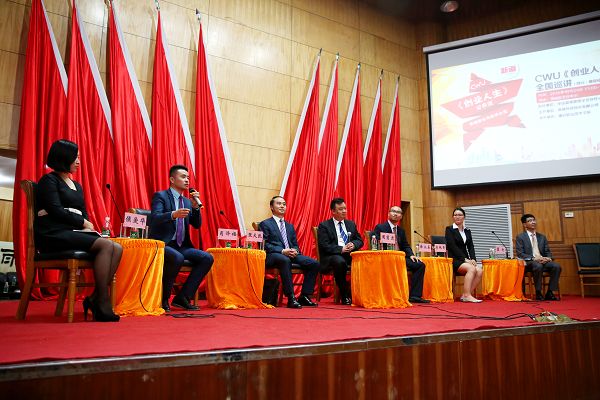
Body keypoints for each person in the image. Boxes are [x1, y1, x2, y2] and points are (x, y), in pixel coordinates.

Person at [34, 139, 122, 322]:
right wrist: (81, 221)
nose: (79, 162)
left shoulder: (77, 185)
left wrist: (85, 223)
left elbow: (82, 212)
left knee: (117, 248)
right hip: (52, 234)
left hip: (71, 232)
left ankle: (95, 297)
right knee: (107, 246)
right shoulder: (49, 180)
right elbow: (56, 210)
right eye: (76, 157)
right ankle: (102, 300)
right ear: (63, 157)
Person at [149, 165, 214, 311]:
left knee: (207, 258)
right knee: (177, 258)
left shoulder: (187, 201)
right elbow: (154, 219)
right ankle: (164, 298)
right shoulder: (161, 196)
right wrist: (173, 214)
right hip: (163, 243)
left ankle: (183, 297)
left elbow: (196, 224)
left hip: (182, 245)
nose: (187, 180)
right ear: (172, 179)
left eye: (188, 178)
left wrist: (195, 208)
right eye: (183, 177)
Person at [259, 196, 320, 308]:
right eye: (279, 204)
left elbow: (295, 244)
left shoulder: (289, 226)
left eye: (284, 204)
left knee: (314, 263)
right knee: (285, 260)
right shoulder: (265, 224)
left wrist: (295, 250)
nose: (282, 206)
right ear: (272, 207)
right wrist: (282, 251)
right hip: (273, 255)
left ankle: (304, 296)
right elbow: (264, 245)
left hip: (290, 254)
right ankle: (291, 297)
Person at [373, 206, 430, 304]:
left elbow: (405, 245)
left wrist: (411, 255)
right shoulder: (380, 227)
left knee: (420, 265)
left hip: (400, 258)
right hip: (387, 257)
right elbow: (376, 243)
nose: (395, 214)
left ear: (401, 216)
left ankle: (415, 296)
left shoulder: (401, 231)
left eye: (398, 212)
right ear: (388, 213)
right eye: (393, 211)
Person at [317, 198, 364, 305]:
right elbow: (324, 245)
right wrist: (341, 249)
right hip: (331, 257)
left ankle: (361, 293)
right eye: (341, 209)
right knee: (339, 261)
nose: (344, 211)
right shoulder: (324, 226)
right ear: (333, 211)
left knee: (365, 260)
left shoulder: (351, 224)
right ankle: (344, 295)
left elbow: (359, 240)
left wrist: (354, 244)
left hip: (349, 255)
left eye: (345, 208)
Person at [515, 214, 561, 301]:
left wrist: (548, 258)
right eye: (530, 221)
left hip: (543, 261)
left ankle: (550, 292)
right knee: (537, 265)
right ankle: (538, 292)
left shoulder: (542, 237)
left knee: (556, 266)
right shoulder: (520, 237)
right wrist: (534, 258)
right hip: (529, 262)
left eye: (534, 220)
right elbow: (520, 254)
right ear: (524, 224)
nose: (533, 222)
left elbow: (547, 251)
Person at [445, 207, 482, 303]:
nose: (457, 217)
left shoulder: (467, 230)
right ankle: (467, 295)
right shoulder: (449, 229)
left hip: (465, 259)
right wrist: (465, 259)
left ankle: (465, 294)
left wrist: (473, 259)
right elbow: (452, 246)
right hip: (454, 259)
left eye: (460, 215)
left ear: (464, 217)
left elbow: (471, 246)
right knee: (472, 269)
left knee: (479, 271)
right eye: (455, 215)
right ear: (453, 217)